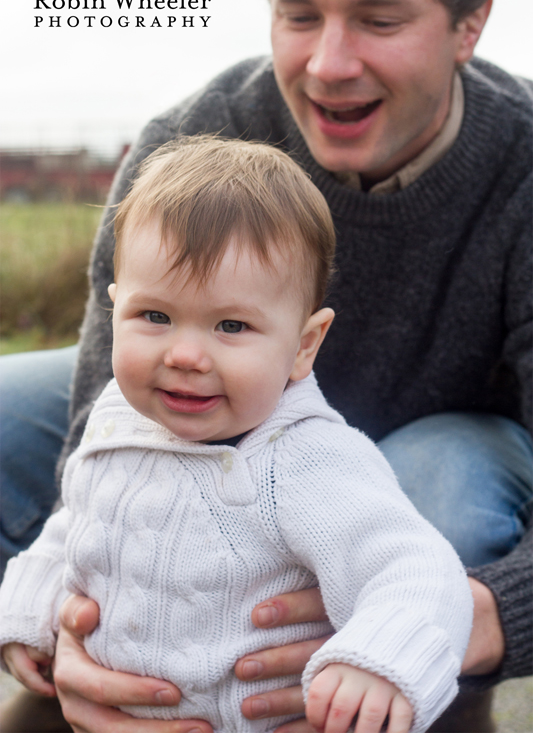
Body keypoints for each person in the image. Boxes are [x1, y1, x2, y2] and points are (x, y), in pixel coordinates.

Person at [0, 0, 531, 731]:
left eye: (378, 20)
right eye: (299, 15)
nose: (327, 64)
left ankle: (388, 705)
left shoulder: (522, 167)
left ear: (470, 21)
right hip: (211, 390)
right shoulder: (193, 140)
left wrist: (484, 616)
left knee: (435, 498)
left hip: (441, 438)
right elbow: (101, 443)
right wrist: (74, 635)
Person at [0, 136, 473, 733]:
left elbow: (416, 568)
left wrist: (379, 662)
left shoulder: (305, 463)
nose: (186, 354)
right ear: (115, 310)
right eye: (155, 316)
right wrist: (29, 608)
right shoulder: (120, 416)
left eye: (231, 325)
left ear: (303, 345)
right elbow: (83, 520)